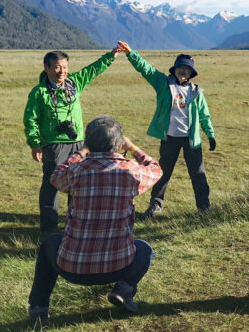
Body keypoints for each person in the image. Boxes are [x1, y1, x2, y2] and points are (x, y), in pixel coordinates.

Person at [27, 115, 162, 327]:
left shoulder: (77, 171)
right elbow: (156, 169)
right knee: (144, 249)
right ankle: (123, 290)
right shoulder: (130, 171)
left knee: (49, 244)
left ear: (89, 142)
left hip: (71, 267)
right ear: (118, 144)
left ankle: (38, 308)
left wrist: (81, 152)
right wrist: (133, 148)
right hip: (120, 265)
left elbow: (56, 175)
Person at [24, 46, 122, 235]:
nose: (62, 72)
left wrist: (112, 56)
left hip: (79, 144)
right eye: (58, 68)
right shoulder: (39, 92)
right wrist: (35, 143)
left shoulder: (74, 83)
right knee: (52, 184)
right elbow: (31, 119)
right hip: (53, 145)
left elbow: (93, 69)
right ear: (47, 68)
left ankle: (74, 224)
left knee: (79, 182)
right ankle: (49, 229)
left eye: (65, 68)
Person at [117, 41, 216, 218]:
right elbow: (146, 69)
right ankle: (155, 206)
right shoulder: (163, 84)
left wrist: (210, 135)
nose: (183, 70)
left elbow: (204, 116)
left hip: (191, 140)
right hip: (169, 137)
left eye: (187, 68)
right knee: (162, 173)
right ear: (174, 69)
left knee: (198, 175)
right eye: (180, 67)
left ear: (191, 73)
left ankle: (204, 208)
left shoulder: (196, 92)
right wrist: (130, 53)